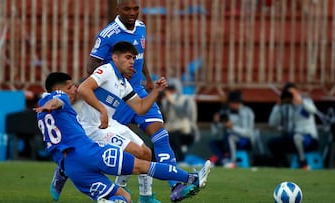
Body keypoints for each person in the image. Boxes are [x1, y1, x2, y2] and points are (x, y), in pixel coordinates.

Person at [35, 72, 211, 203]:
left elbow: (139, 107)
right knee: (142, 164)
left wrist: (153, 89)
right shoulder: (58, 96)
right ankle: (191, 179)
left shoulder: (42, 111)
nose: (75, 90)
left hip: (73, 167)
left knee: (125, 197)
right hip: (90, 151)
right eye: (71, 86)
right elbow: (57, 100)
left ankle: (118, 199)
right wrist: (51, 104)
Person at [84, 0, 193, 201]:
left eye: (136, 8)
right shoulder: (108, 34)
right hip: (118, 98)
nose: (132, 13)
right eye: (127, 9)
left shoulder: (141, 27)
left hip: (139, 92)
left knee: (160, 135)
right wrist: (115, 75)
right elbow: (91, 67)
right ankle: (65, 169)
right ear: (118, 10)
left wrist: (148, 78)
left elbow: (139, 56)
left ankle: (175, 185)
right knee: (113, 149)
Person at [267, 82, 319, 169]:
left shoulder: (306, 101)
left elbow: (314, 111)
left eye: (293, 93)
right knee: (272, 143)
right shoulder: (285, 107)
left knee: (297, 137)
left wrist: (301, 102)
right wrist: (277, 106)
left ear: (297, 92)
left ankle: (303, 162)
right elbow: (272, 123)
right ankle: (284, 165)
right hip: (292, 138)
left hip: (309, 139)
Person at [209, 90, 255, 168]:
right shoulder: (225, 112)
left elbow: (248, 133)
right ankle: (224, 161)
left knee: (230, 137)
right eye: (232, 103)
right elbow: (216, 134)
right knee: (213, 143)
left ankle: (232, 161)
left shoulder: (247, 112)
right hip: (227, 140)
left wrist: (232, 127)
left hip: (244, 141)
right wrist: (215, 123)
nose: (234, 105)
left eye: (236, 103)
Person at [160, 78, 200, 163]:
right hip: (170, 129)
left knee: (173, 136)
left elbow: (183, 115)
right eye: (168, 89)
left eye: (172, 89)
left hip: (186, 131)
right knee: (162, 137)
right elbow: (165, 118)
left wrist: (173, 102)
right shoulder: (165, 101)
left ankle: (181, 159)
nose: (170, 92)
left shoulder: (186, 100)